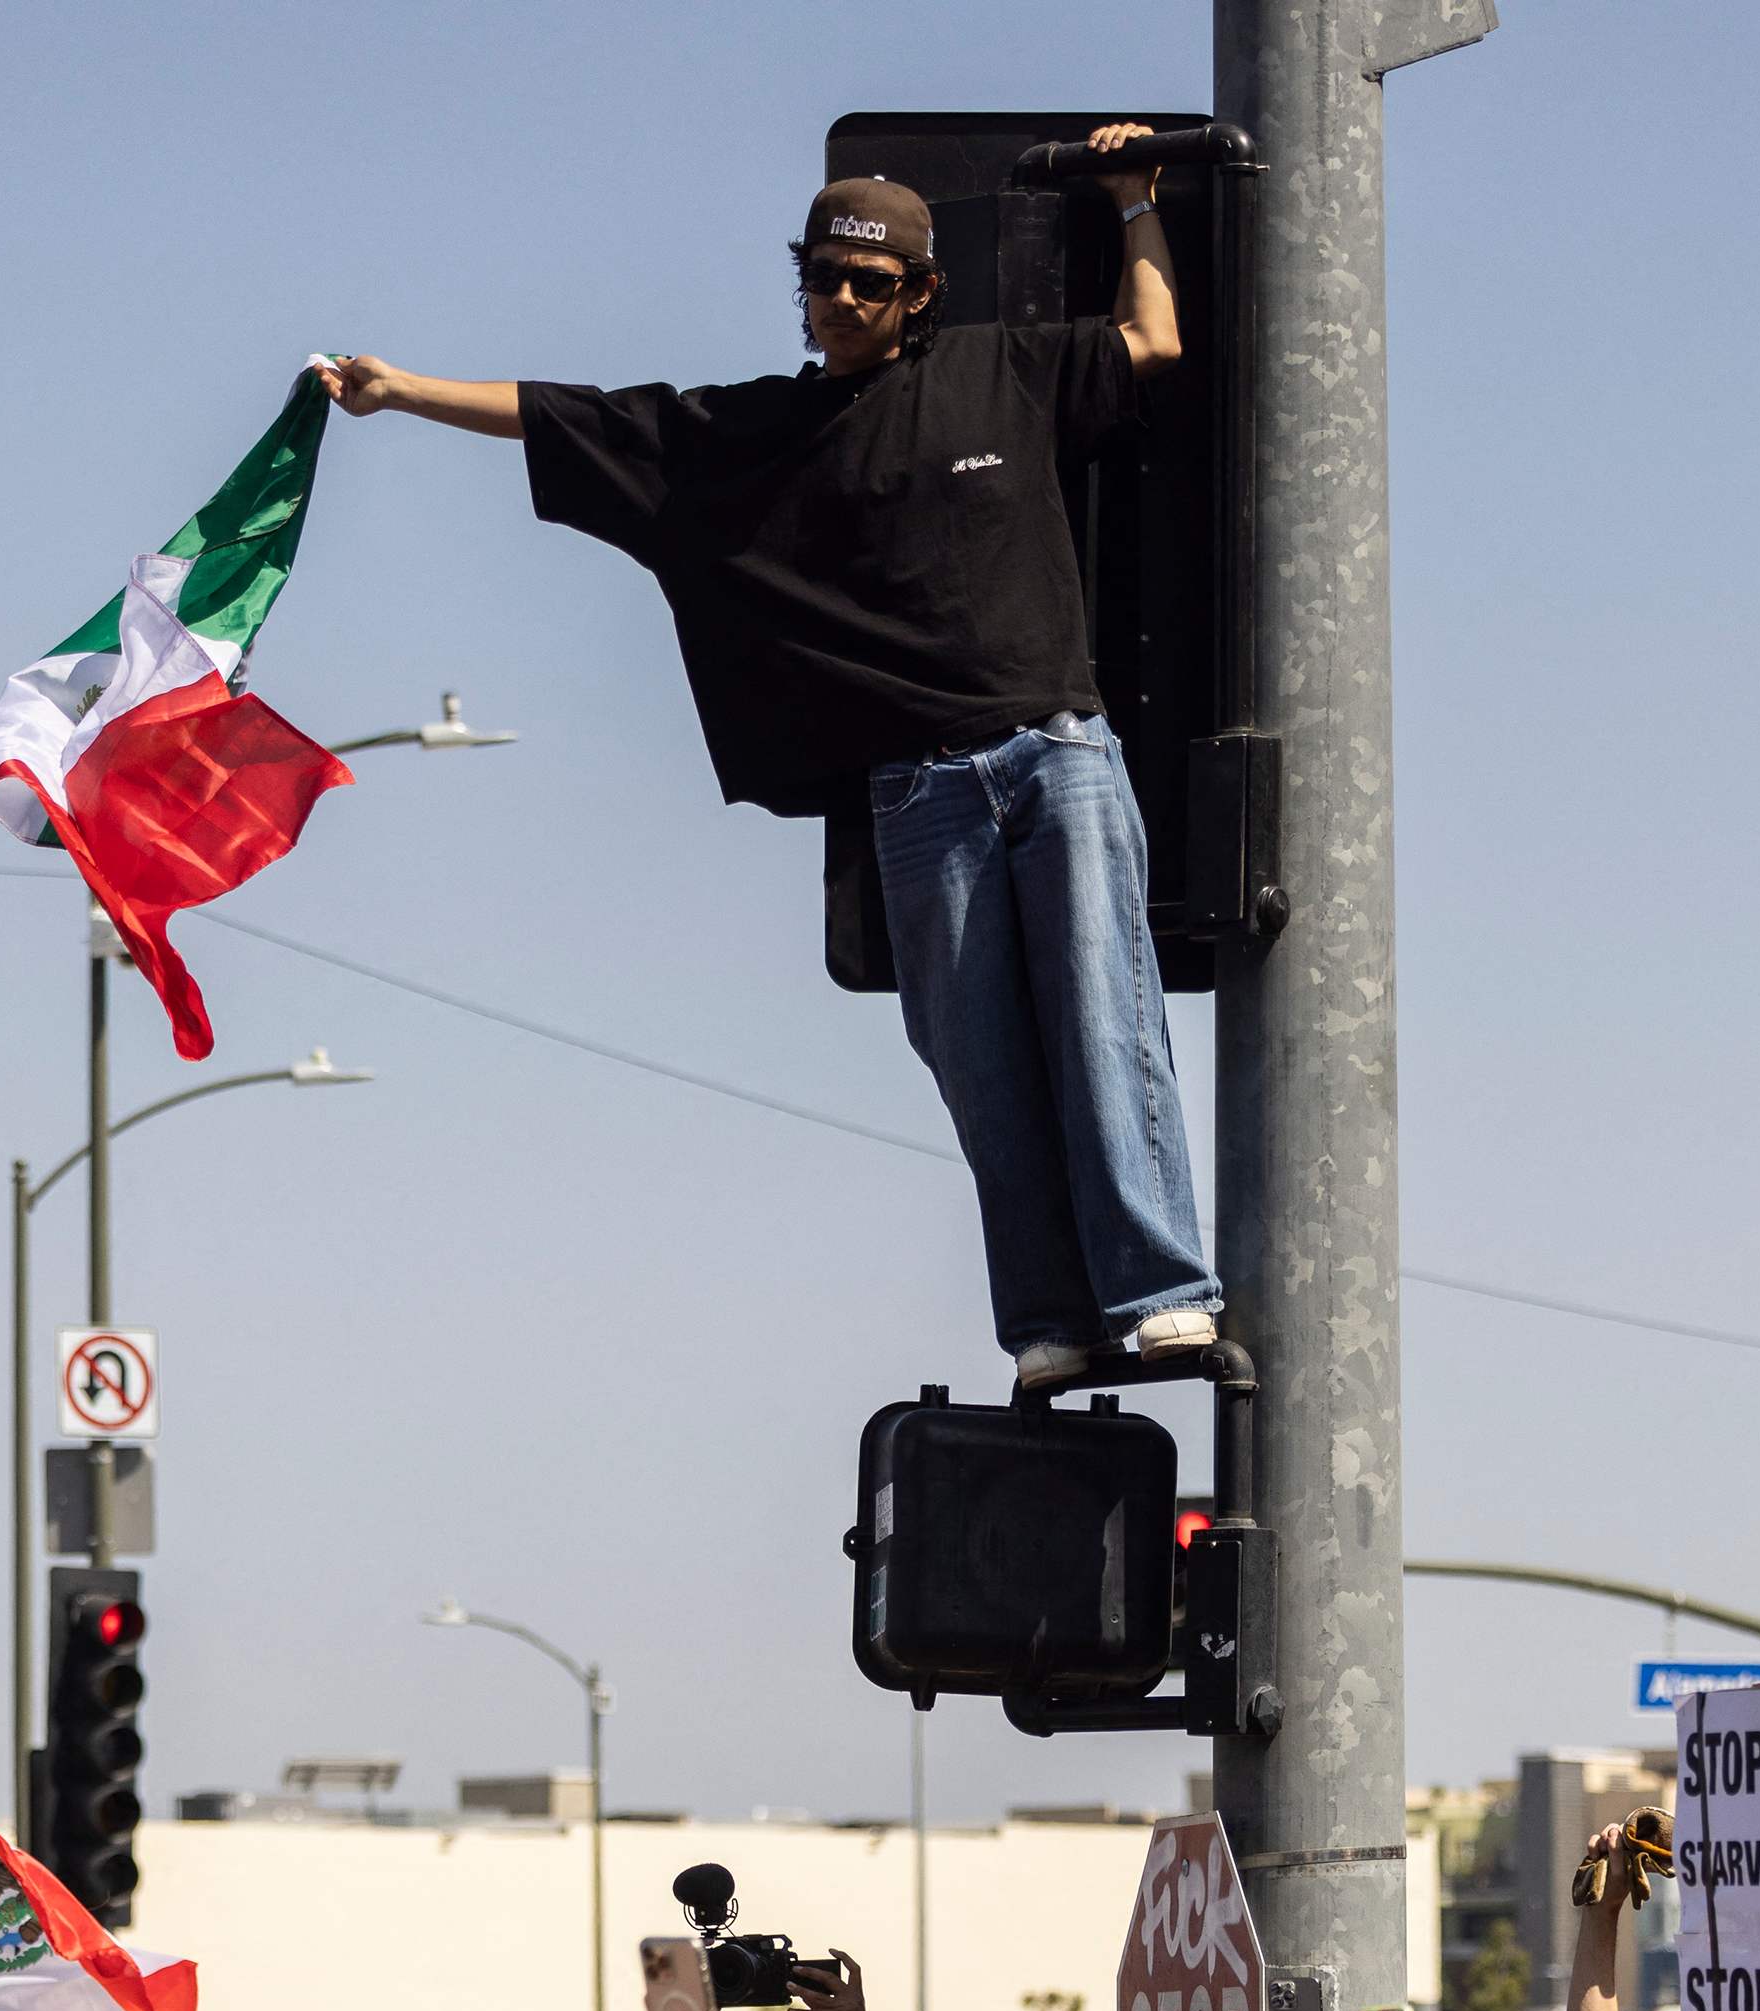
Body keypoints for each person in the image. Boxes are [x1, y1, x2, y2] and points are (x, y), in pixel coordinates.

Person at [324, 145, 1221, 1390]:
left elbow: (1151, 343)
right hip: (917, 796)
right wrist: (401, 390)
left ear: (920, 293)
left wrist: (1135, 207)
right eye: (821, 281)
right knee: (980, 1072)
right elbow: (567, 414)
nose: (842, 303)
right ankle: (1051, 1319)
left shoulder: (1001, 369)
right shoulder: (752, 431)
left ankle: (1164, 1287)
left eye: (868, 283)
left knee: (1100, 1020)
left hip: (1054, 755)